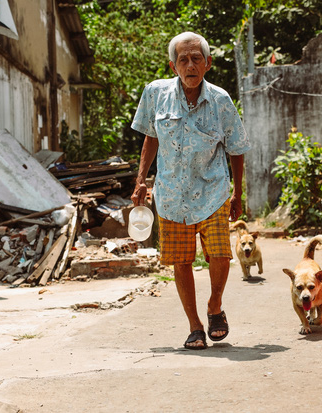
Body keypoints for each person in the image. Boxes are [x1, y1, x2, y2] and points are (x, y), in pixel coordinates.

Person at [130, 32, 251, 350]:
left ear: (208, 63)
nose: (190, 64)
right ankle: (195, 326)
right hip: (171, 194)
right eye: (183, 59)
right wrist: (141, 180)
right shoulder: (155, 94)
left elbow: (236, 148)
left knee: (220, 254)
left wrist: (238, 192)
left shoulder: (221, 100)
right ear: (173, 65)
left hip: (213, 191)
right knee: (181, 261)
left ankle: (214, 306)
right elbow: (151, 137)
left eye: (196, 58)